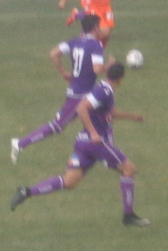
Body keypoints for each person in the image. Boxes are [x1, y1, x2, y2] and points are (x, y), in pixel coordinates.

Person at [9, 61, 149, 227]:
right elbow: (81, 108)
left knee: (70, 182)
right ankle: (128, 215)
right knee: (129, 169)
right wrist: (94, 133)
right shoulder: (104, 91)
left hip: (82, 144)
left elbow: (107, 112)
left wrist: (132, 116)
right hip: (95, 144)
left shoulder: (104, 88)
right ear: (121, 79)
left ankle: (27, 192)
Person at [10, 13, 107, 163]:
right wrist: (110, 66)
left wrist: (63, 73)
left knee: (103, 115)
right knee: (58, 125)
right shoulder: (96, 45)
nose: (101, 29)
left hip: (82, 90)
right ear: (95, 28)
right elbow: (97, 69)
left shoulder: (75, 41)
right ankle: (20, 143)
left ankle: (104, 152)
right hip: (80, 94)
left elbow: (54, 53)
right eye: (99, 26)